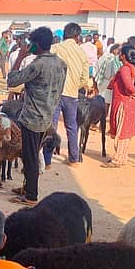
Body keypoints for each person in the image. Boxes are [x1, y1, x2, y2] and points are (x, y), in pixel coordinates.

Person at [6, 27, 67, 205]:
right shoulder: (60, 63)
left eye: (31, 43)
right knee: (32, 153)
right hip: (48, 114)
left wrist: (20, 57)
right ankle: (27, 186)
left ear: (37, 45)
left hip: (32, 117)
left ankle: (31, 195)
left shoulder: (37, 65)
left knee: (30, 156)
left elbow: (12, 81)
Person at [50, 22, 90, 166]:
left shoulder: (55, 48)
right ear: (77, 36)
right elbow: (85, 79)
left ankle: (47, 160)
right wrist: (74, 86)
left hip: (55, 93)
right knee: (72, 127)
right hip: (72, 95)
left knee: (52, 126)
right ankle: (74, 158)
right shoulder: (81, 52)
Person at [104, 45, 135, 168]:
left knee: (122, 132)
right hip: (130, 104)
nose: (118, 55)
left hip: (124, 103)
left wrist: (133, 93)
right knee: (126, 133)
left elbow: (129, 87)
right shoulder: (132, 68)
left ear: (124, 56)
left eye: (120, 53)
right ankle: (122, 157)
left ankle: (118, 159)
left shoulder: (125, 69)